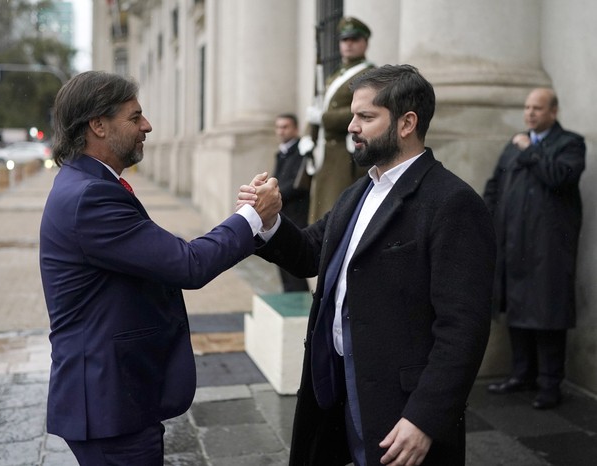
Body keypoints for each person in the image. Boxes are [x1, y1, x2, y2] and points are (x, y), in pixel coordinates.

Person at [239, 64, 495, 465]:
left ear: (407, 123)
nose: (352, 127)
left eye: (366, 117)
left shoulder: (452, 203)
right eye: (353, 116)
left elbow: (463, 328)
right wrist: (267, 221)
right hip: (336, 388)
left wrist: (424, 418)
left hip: (400, 410)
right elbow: (309, 252)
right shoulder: (358, 191)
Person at [39, 71, 280, 465]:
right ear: (97, 125)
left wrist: (250, 221)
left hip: (115, 397)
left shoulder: (91, 184)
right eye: (135, 118)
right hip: (108, 404)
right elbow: (187, 264)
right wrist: (251, 217)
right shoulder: (91, 196)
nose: (147, 126)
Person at [483, 87, 586, 410]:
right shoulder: (513, 145)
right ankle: (521, 374)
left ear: (553, 112)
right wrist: (486, 219)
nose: (529, 113)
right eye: (527, 107)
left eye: (537, 108)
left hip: (548, 247)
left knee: (547, 313)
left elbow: (561, 177)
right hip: (513, 242)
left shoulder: (570, 143)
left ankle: (549, 384)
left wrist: (530, 151)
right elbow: (495, 185)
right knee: (517, 308)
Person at [304, 16, 375, 223]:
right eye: (345, 40)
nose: (349, 44)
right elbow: (318, 106)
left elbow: (364, 111)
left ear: (365, 42)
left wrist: (324, 118)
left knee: (337, 211)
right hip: (326, 152)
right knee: (320, 211)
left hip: (346, 153)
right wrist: (308, 136)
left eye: (354, 39)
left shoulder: (370, 74)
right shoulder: (335, 75)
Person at [273, 113, 310, 292]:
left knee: (294, 267)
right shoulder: (281, 152)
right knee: (282, 262)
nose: (281, 131)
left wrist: (274, 194)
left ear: (295, 128)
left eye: (285, 127)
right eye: (278, 127)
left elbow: (299, 184)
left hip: (297, 214)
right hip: (282, 213)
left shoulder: (302, 149)